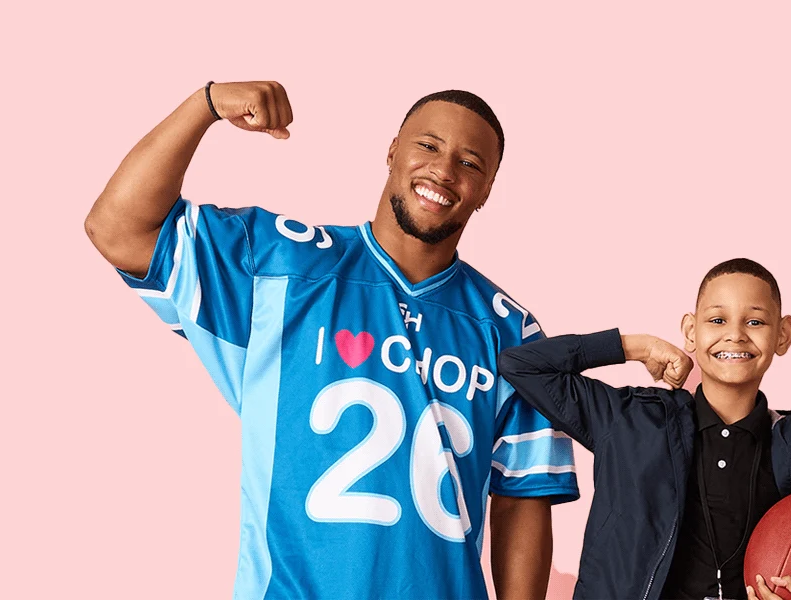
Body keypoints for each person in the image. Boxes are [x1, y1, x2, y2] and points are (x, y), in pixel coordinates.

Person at [84, 81, 579, 599]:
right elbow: (117, 228)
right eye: (428, 146)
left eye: (471, 163)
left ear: (488, 190)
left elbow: (523, 495)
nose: (444, 170)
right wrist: (203, 105)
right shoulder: (284, 267)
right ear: (392, 151)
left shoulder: (510, 331)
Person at [497, 258, 791, 599]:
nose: (736, 334)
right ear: (690, 331)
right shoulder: (630, 419)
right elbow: (521, 366)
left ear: (782, 335)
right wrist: (635, 346)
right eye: (717, 320)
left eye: (756, 321)